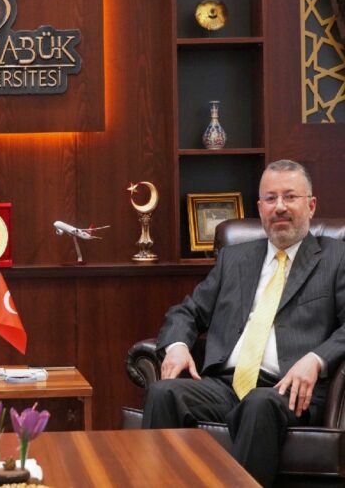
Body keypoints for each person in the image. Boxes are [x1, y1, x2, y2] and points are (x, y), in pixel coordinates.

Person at [142, 159, 345, 486]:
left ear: (311, 205)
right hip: (224, 385)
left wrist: (316, 359)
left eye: (290, 197)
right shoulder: (235, 258)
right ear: (260, 208)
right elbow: (187, 311)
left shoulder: (336, 257)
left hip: (288, 390)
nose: (280, 207)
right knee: (163, 392)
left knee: (259, 403)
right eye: (270, 198)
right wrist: (178, 346)